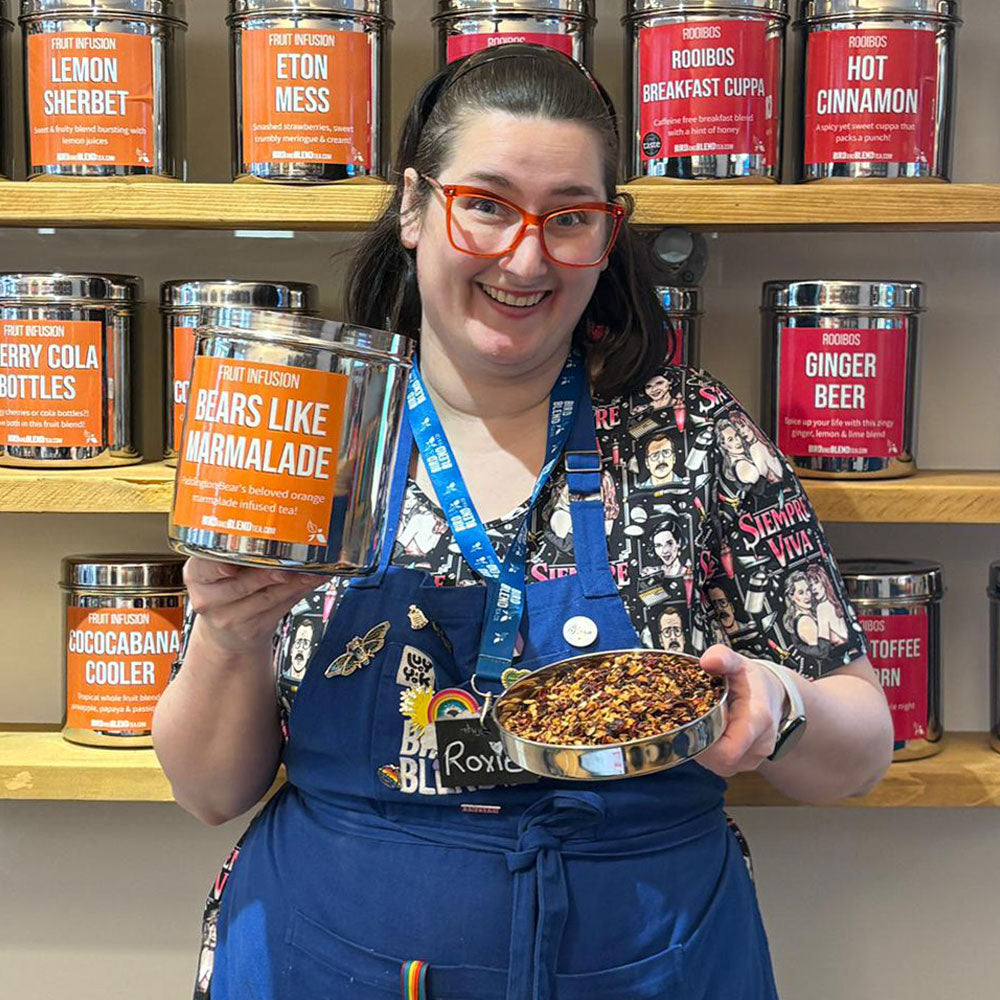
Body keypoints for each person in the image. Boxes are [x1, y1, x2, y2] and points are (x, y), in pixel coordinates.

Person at [153, 46, 893, 1000]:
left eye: (570, 218)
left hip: (653, 964)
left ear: (605, 234)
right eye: (488, 205)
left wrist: (780, 710)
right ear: (416, 208)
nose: (527, 255)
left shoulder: (698, 436)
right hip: (326, 960)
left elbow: (862, 746)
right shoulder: (313, 425)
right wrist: (227, 632)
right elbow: (210, 793)